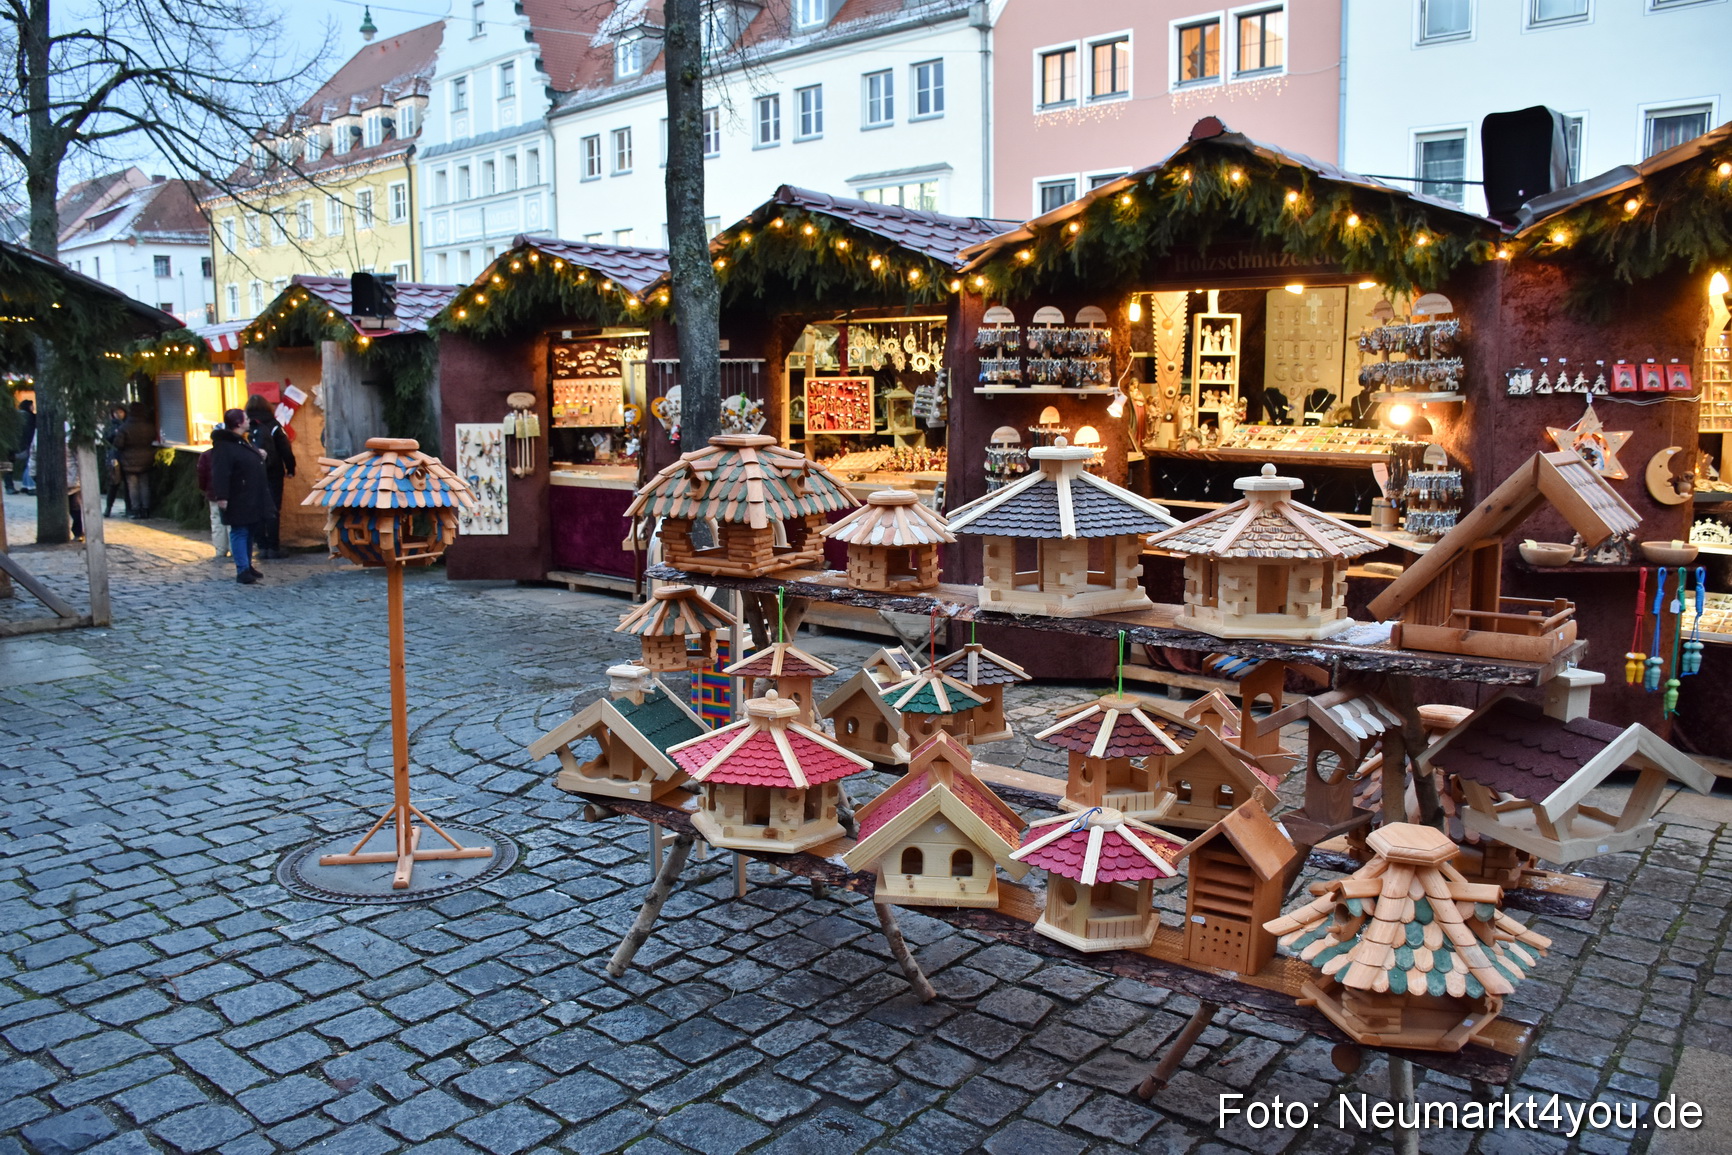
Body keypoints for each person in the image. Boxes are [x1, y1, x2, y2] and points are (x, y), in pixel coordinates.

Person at [209, 408, 269, 584]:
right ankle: (242, 569)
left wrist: (259, 455)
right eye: (246, 419)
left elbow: (245, 459)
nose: (249, 421)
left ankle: (247, 565)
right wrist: (222, 496)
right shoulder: (224, 445)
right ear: (238, 423)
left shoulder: (241, 441)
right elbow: (220, 472)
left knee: (249, 531)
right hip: (237, 496)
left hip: (248, 495)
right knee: (240, 531)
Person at [245, 395, 295, 558]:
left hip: (253, 472)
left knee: (257, 509)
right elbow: (285, 448)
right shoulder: (273, 425)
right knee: (273, 509)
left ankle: (262, 546)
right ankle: (274, 547)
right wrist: (291, 468)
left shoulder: (248, 425)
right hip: (273, 472)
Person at [114, 403, 156, 518]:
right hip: (147, 458)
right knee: (144, 484)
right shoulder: (149, 426)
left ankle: (136, 509)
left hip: (129, 460)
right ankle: (146, 509)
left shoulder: (124, 427)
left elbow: (118, 444)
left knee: (132, 486)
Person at [195, 429, 229, 560]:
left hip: (213, 493)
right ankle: (234, 549)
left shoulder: (206, 455)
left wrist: (205, 489)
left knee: (217, 522)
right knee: (232, 524)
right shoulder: (230, 454)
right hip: (230, 493)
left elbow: (201, 475)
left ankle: (220, 550)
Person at [102, 405, 127, 516]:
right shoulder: (110, 426)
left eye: (121, 412)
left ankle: (128, 508)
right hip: (114, 457)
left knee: (127, 483)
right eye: (116, 412)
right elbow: (106, 439)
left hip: (125, 456)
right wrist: (114, 434)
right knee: (114, 483)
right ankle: (108, 508)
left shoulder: (127, 424)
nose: (118, 415)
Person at [10, 398, 35, 494]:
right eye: (32, 406)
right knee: (30, 464)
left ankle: (25, 484)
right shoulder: (29, 417)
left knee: (27, 464)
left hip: (16, 445)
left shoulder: (16, 416)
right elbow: (28, 432)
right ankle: (30, 485)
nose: (33, 408)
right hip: (26, 444)